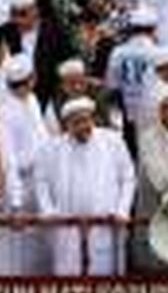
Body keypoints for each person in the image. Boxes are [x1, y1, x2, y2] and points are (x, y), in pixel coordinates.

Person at [33, 97, 135, 276]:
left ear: (93, 119)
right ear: (67, 125)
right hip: (67, 229)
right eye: (76, 122)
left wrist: (122, 210)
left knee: (103, 282)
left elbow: (128, 177)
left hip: (105, 225)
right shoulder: (52, 148)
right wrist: (48, 210)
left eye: (86, 120)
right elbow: (41, 180)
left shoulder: (112, 142)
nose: (83, 126)